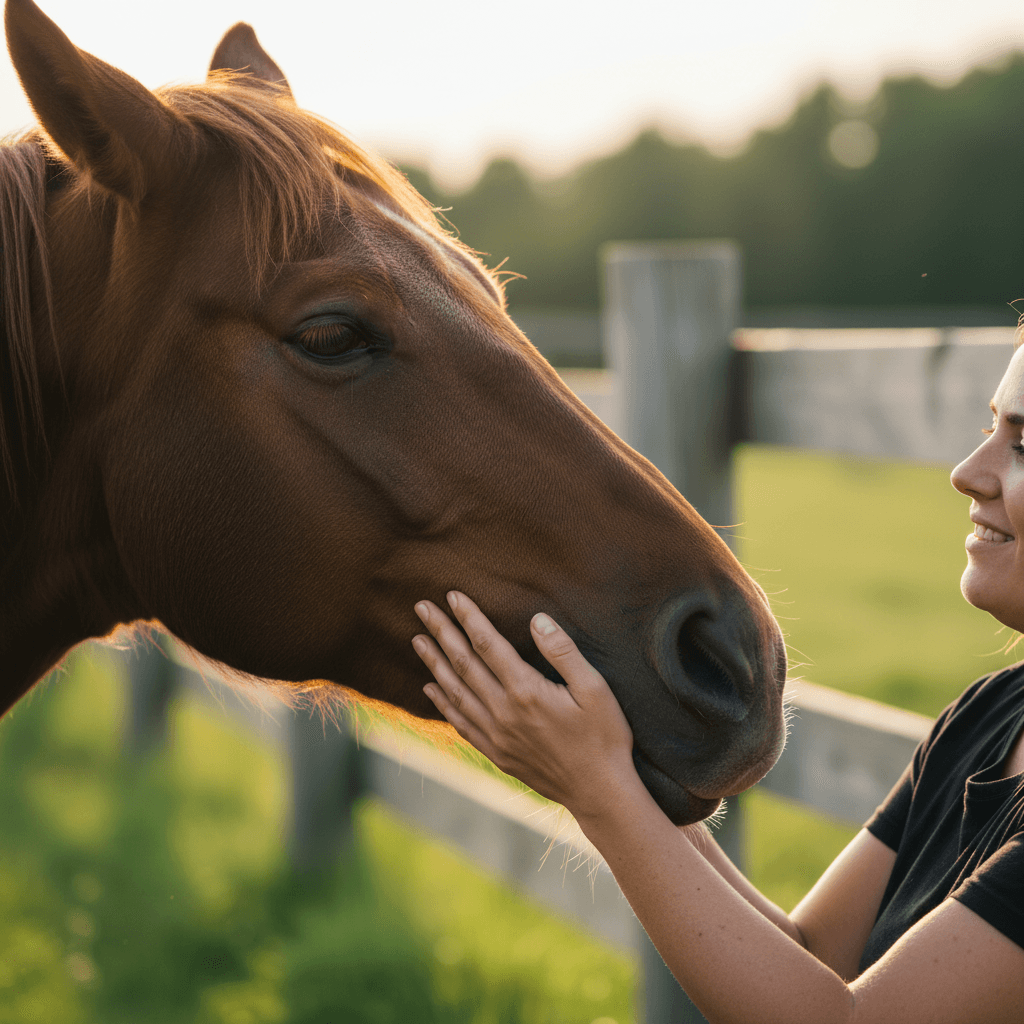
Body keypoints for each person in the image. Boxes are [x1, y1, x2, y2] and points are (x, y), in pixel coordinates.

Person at [409, 345, 1024, 1023]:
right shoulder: (987, 714)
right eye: (989, 428)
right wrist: (616, 763)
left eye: (1023, 445)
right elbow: (811, 955)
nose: (969, 474)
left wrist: (602, 790)